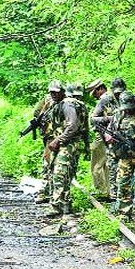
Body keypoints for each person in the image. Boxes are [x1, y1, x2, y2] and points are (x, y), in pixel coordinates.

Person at [106, 91, 135, 223]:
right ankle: (124, 212)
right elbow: (110, 131)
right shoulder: (117, 114)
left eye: (129, 108)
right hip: (124, 155)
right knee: (122, 184)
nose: (127, 111)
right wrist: (109, 137)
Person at [43, 80, 87, 216]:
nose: (53, 94)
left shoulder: (67, 104)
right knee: (63, 174)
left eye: (56, 92)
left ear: (62, 92)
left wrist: (58, 140)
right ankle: (65, 204)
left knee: (59, 173)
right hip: (63, 144)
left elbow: (73, 126)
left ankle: (56, 205)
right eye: (51, 92)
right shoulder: (58, 104)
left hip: (68, 144)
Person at [86, 78, 117, 199]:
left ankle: (102, 190)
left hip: (103, 134)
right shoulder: (115, 97)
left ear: (100, 89)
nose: (94, 96)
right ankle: (109, 190)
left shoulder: (104, 99)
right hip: (112, 134)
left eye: (94, 93)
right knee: (106, 163)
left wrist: (108, 119)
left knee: (97, 164)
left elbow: (93, 119)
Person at [33, 93, 54, 204]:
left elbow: (36, 113)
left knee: (47, 165)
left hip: (52, 138)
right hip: (53, 137)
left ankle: (46, 193)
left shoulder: (50, 100)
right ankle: (49, 193)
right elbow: (37, 114)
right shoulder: (48, 100)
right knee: (50, 165)